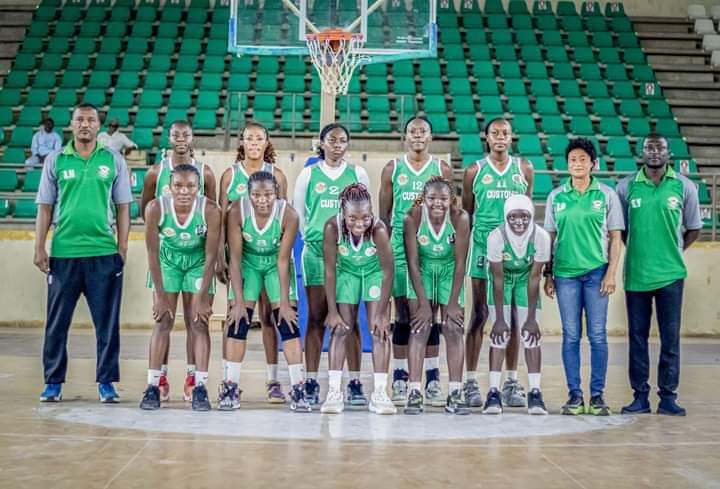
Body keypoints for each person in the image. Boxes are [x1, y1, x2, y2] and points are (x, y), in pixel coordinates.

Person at [35, 103, 132, 403]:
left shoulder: (113, 160)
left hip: (103, 253)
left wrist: (122, 248)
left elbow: (123, 207)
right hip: (64, 253)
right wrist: (39, 246)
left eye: (91, 120)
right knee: (57, 323)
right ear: (72, 124)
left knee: (107, 324)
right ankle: (53, 382)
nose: (85, 124)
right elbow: (45, 207)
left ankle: (106, 382)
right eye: (80, 119)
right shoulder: (56, 160)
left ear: (98, 125)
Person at [616, 134, 702, 416]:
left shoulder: (684, 186)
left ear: (668, 153)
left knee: (670, 339)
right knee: (637, 339)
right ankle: (640, 396)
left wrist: (674, 250)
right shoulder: (626, 187)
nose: (654, 152)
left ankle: (668, 397)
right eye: (649, 148)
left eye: (660, 148)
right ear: (641, 152)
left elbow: (694, 228)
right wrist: (639, 249)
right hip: (636, 275)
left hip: (671, 275)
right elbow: (621, 230)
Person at [543, 138, 624, 416]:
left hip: (597, 273)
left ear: (593, 164)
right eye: (572, 160)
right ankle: (575, 395)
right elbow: (549, 238)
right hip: (565, 274)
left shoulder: (606, 195)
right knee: (571, 335)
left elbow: (615, 238)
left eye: (582, 159)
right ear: (567, 165)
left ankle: (597, 395)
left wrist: (611, 273)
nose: (577, 164)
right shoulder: (556, 196)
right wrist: (548, 274)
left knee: (598, 335)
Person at [292, 123, 370, 406]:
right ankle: (311, 380)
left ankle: (355, 382)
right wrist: (316, 237)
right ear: (322, 143)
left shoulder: (357, 174)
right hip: (315, 252)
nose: (337, 145)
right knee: (316, 317)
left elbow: (366, 212)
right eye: (332, 140)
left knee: (350, 320)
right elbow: (299, 213)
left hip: (349, 254)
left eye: (342, 140)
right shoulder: (309, 174)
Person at [378, 116, 453, 407]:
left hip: (431, 245)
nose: (418, 135)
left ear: (431, 137)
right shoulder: (393, 168)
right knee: (402, 313)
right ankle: (399, 377)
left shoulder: (441, 168)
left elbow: (450, 208)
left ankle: (432, 379)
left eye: (423, 131)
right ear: (405, 136)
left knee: (429, 312)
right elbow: (384, 215)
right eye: (413, 131)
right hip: (399, 245)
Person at [140, 120, 217, 403]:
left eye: (190, 186)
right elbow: (151, 248)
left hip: (198, 258)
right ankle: (155, 382)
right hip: (168, 257)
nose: (184, 190)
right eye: (176, 134)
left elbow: (212, 248)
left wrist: (206, 293)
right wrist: (160, 294)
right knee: (163, 319)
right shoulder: (156, 193)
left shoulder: (208, 199)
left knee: (198, 320)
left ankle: (196, 382)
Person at [221, 171, 310, 412]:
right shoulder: (237, 211)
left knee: (288, 323)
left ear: (277, 194)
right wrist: (239, 300)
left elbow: (283, 260)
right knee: (237, 322)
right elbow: (235, 258)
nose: (262, 200)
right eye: (257, 195)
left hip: (274, 264)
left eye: (268, 194)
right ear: (248, 195)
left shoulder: (289, 215)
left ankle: (298, 387)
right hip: (248, 264)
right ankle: (230, 385)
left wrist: (284, 303)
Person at [462, 118, 534, 408]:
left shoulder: (524, 168)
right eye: (495, 133)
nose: (500, 137)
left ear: (511, 137)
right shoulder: (474, 171)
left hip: (513, 249)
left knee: (513, 316)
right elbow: (466, 213)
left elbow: (526, 211)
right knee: (480, 313)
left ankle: (511, 381)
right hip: (482, 246)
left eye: (505, 133)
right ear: (487, 137)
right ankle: (469, 381)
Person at [217, 121, 290, 404]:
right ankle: (229, 381)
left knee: (270, 317)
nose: (254, 143)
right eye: (250, 138)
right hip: (240, 257)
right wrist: (220, 256)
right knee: (235, 315)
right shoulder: (229, 176)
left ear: (267, 142)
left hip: (269, 256)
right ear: (242, 143)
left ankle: (273, 380)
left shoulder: (277, 175)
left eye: (259, 138)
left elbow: (283, 218)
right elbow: (221, 218)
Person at [321, 184, 396, 415]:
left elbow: (388, 272)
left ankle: (380, 393)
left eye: (365, 217)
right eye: (352, 218)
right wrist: (332, 311)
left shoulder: (379, 230)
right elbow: (330, 271)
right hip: (347, 272)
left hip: (373, 273)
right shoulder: (332, 227)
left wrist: (382, 313)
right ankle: (334, 392)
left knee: (379, 330)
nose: (359, 223)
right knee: (341, 328)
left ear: (371, 212)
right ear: (343, 213)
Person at [403, 177, 470, 415]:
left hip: (449, 270)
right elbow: (412, 263)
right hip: (422, 269)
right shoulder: (412, 218)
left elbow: (461, 263)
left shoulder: (461, 218)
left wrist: (453, 303)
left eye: (443, 198)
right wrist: (423, 304)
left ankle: (455, 392)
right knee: (419, 327)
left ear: (451, 199)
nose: (437, 203)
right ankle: (414, 392)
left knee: (453, 328)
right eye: (432, 198)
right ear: (424, 198)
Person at [482, 195, 550, 415]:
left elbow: (534, 278)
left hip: (526, 279)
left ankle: (535, 393)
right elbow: (497, 278)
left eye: (524, 216)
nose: (519, 221)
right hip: (503, 279)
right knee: (499, 335)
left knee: (531, 336)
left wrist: (530, 319)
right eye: (513, 216)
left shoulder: (541, 237)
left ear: (532, 216)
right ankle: (493, 392)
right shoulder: (496, 237)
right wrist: (499, 319)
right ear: (506, 217)